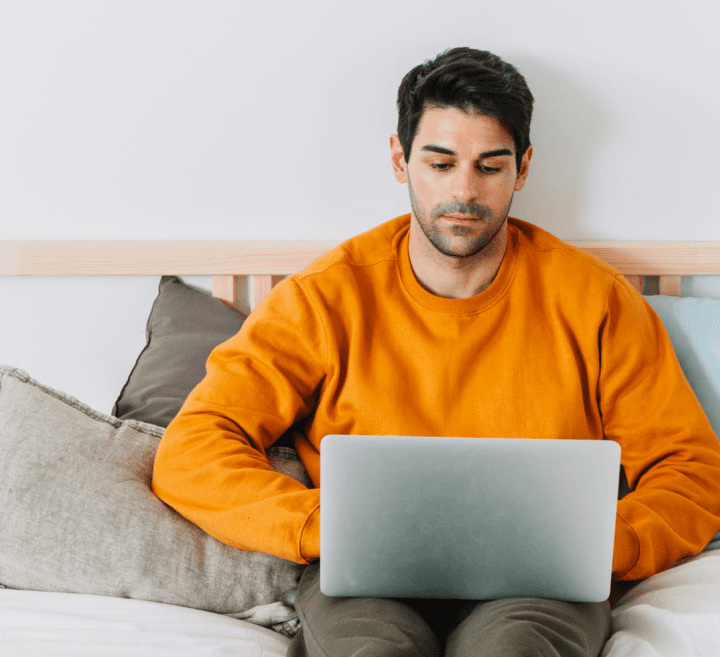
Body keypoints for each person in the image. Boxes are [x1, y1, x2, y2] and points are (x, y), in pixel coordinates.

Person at [152, 47, 720, 656]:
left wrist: (604, 543)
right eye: (441, 163)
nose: (464, 192)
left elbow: (690, 470)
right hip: (367, 576)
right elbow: (194, 447)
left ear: (523, 167)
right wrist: (325, 525)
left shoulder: (595, 301)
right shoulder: (324, 298)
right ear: (400, 159)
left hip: (540, 581)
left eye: (490, 166)